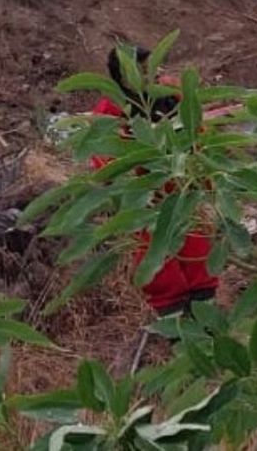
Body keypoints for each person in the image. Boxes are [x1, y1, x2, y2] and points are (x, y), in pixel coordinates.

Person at [89, 47, 221, 317]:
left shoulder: (170, 91)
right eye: (143, 67)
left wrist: (204, 169)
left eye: (151, 65)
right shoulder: (110, 108)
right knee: (155, 251)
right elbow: (103, 156)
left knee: (196, 239)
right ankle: (172, 316)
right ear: (125, 75)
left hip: (182, 179)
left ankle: (205, 311)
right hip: (144, 190)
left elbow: (196, 127)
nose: (153, 71)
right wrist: (126, 192)